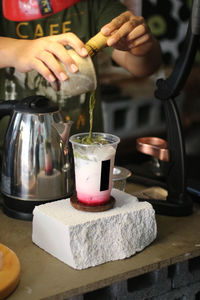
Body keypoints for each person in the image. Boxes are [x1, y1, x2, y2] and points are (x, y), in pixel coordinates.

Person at [0, 0, 162, 137]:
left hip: (80, 147)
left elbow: (143, 68)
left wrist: (142, 48)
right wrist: (16, 50)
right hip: (12, 145)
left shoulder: (95, 5)